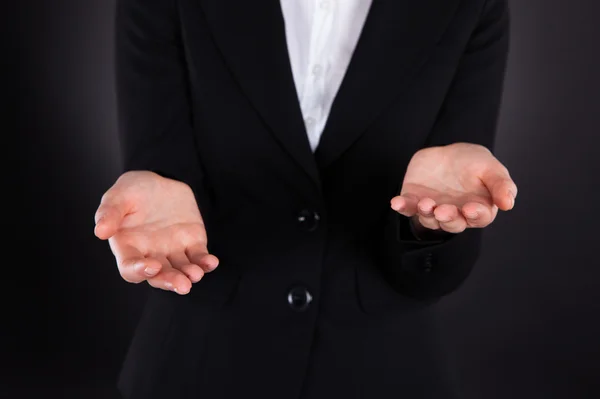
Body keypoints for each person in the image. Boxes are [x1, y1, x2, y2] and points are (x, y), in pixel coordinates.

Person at [94, 0, 516, 398]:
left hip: (383, 372)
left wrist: (429, 228)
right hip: (199, 363)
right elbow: (163, 170)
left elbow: (435, 271)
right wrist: (153, 206)